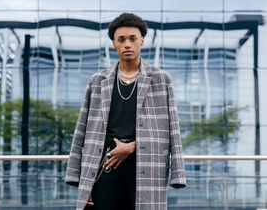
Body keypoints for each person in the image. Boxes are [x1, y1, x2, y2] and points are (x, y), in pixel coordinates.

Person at [65, 13, 186, 210]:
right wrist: (80, 180)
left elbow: (172, 130)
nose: (127, 44)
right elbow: (81, 131)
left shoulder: (161, 79)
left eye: (132, 39)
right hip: (105, 164)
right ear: (114, 44)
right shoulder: (98, 80)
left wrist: (132, 147)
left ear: (142, 41)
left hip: (146, 164)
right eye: (121, 40)